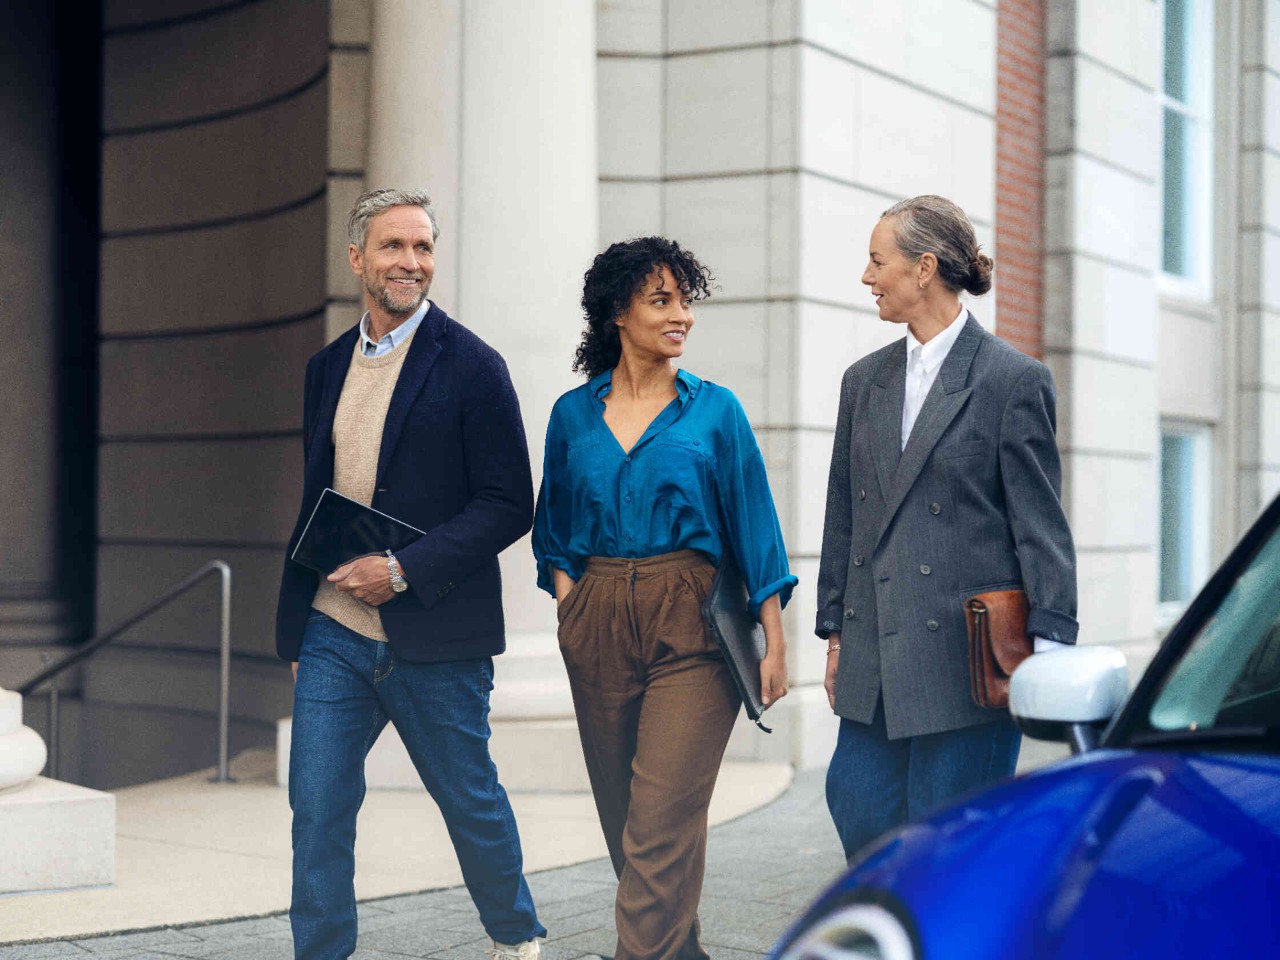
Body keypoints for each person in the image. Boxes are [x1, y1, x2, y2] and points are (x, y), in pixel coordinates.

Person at [275, 188, 546, 960]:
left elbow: (509, 504)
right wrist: (296, 629)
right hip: (333, 630)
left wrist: (401, 570)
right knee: (317, 809)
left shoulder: (474, 366)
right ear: (357, 258)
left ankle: (516, 937)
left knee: (470, 803)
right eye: (393, 246)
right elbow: (320, 495)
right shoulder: (325, 368)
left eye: (423, 246)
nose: (411, 261)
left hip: (436, 633)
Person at [532, 237, 797, 960]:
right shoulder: (571, 415)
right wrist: (571, 606)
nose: (682, 315)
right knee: (628, 820)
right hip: (596, 617)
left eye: (685, 301)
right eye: (662, 301)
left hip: (692, 623)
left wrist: (774, 639)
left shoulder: (715, 412)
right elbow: (552, 527)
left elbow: (755, 524)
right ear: (619, 313)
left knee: (659, 821)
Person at [817, 195, 1078, 860]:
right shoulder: (862, 382)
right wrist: (836, 632)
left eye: (878, 261)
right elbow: (844, 516)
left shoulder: (1012, 380)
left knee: (949, 842)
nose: (867, 277)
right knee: (857, 802)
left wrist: (1049, 649)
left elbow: (1040, 527)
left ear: (924, 267)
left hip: (967, 662)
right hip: (876, 652)